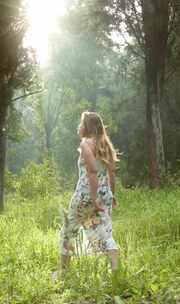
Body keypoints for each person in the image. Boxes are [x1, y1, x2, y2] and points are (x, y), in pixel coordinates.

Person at [56, 112, 120, 277]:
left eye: (81, 123)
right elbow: (112, 173)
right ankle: (116, 273)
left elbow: (92, 171)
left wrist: (93, 198)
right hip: (105, 194)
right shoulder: (105, 145)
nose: (79, 127)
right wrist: (111, 195)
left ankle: (64, 273)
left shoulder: (86, 143)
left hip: (86, 196)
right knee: (105, 233)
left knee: (69, 231)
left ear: (87, 127)